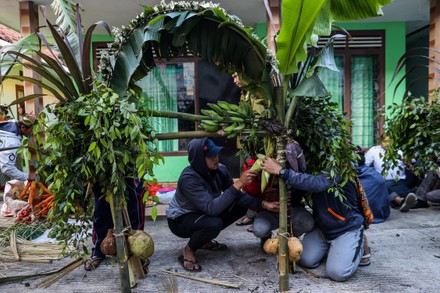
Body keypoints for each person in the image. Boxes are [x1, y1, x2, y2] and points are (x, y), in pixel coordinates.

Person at [166, 138, 279, 272]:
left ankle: (203, 240)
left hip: (203, 212)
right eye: (210, 156)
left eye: (216, 154)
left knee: (241, 205)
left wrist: (264, 204)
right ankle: (189, 248)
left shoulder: (221, 170)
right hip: (180, 220)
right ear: (199, 159)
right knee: (214, 223)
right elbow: (211, 209)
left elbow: (236, 196)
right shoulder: (189, 178)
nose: (216, 158)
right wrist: (239, 184)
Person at [261, 155, 368, 282]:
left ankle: (361, 244)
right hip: (323, 228)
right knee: (304, 259)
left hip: (345, 228)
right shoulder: (312, 165)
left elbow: (316, 183)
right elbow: (302, 185)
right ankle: (335, 249)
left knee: (338, 273)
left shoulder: (340, 166)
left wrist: (282, 171)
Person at [84, 179, 146, 270]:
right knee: (101, 206)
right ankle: (98, 251)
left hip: (130, 170)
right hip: (102, 172)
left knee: (134, 202)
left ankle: (137, 250)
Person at [364, 135, 417, 212]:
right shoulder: (374, 151)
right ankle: (401, 201)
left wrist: (407, 163)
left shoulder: (399, 150)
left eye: (389, 141)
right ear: (380, 142)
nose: (387, 144)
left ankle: (399, 201)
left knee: (384, 189)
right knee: (382, 185)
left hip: (402, 181)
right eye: (385, 141)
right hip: (385, 182)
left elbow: (414, 165)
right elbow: (365, 165)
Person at [355, 146, 390, 223]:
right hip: (380, 217)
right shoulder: (377, 176)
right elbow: (386, 207)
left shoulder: (345, 179)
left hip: (357, 219)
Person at [0, 115, 36, 182]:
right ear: (23, 127)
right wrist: (27, 176)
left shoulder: (12, 124)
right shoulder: (12, 142)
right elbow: (7, 168)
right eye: (31, 130)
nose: (32, 132)